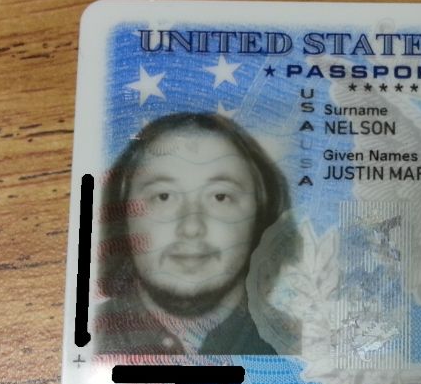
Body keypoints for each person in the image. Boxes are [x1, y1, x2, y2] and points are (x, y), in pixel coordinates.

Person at [94, 112, 298, 355]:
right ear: (123, 214)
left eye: (220, 197)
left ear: (261, 216)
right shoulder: (85, 341)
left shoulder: (302, 352)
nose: (191, 227)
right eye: (163, 197)